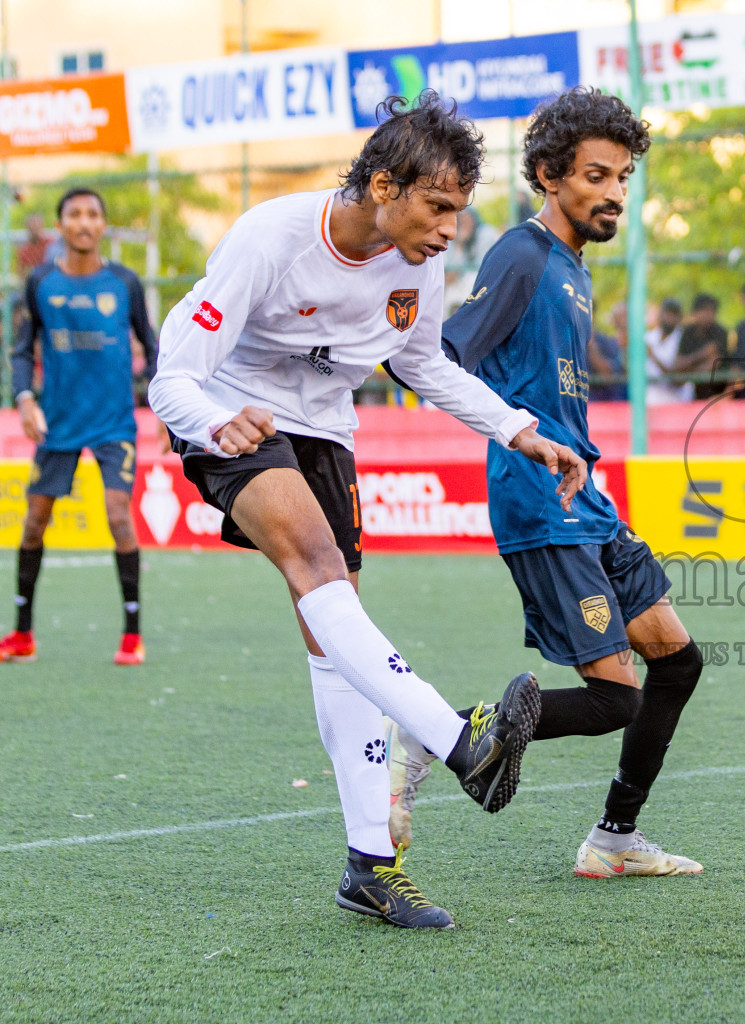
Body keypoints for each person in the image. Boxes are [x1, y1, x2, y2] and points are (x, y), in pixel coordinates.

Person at [148, 92, 588, 929]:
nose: (450, 229)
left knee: (332, 630)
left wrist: (520, 429)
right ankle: (465, 742)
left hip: (326, 432)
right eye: (438, 206)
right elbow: (172, 376)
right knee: (317, 565)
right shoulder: (268, 237)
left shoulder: (416, 264)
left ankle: (369, 867)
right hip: (230, 412)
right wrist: (212, 422)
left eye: (459, 210)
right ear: (382, 186)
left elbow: (427, 367)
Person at [388, 86, 707, 879]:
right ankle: (438, 733)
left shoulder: (571, 266)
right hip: (542, 501)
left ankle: (614, 840)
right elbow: (444, 357)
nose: (615, 194)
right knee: (614, 699)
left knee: (677, 663)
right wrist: (521, 437)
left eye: (624, 178)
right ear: (548, 175)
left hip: (585, 498)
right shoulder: (522, 254)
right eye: (598, 175)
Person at [1, 188, 158, 666]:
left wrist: (168, 411)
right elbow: (22, 348)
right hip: (59, 425)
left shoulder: (125, 283)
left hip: (114, 423)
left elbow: (152, 349)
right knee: (34, 524)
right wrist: (25, 398)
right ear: (61, 225)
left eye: (93, 214)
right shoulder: (40, 282)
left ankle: (132, 635)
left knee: (117, 515)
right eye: (74, 214)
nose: (84, 222)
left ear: (103, 225)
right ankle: (22, 634)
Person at [677, 293, 728, 399]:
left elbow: (712, 364)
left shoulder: (720, 332)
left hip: (715, 393)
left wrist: (688, 369)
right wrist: (703, 354)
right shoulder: (688, 332)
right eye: (703, 310)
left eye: (711, 311)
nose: (707, 315)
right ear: (695, 312)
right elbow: (678, 365)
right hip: (690, 394)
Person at [645, 297, 690, 405]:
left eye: (673, 314)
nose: (668, 318)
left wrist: (653, 356)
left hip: (677, 400)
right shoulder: (648, 337)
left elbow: (676, 378)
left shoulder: (684, 339)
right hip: (650, 400)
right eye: (666, 313)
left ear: (679, 318)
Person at [586, 299, 627, 402]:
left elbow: (607, 375)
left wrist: (591, 345)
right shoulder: (564, 342)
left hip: (603, 406)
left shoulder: (607, 343)